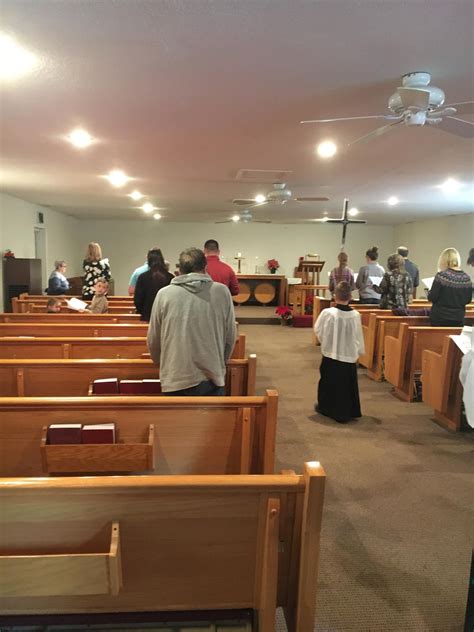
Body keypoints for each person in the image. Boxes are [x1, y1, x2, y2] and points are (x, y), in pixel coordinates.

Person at [147, 247, 237, 395]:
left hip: (175, 376)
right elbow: (230, 337)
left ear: (180, 269)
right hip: (212, 377)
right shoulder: (222, 292)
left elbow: (154, 340)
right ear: (205, 267)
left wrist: (165, 365)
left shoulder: (164, 295)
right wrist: (219, 363)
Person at [314, 281, 364, 423]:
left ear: (335, 296)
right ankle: (350, 410)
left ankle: (327, 408)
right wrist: (358, 351)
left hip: (331, 354)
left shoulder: (327, 313)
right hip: (348, 356)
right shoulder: (355, 315)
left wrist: (326, 343)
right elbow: (358, 336)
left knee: (328, 381)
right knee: (347, 384)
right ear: (350, 297)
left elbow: (318, 330)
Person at [428, 247, 472, 327]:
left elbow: (432, 297)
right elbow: (468, 300)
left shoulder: (441, 276)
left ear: (444, 260)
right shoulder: (466, 278)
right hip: (458, 318)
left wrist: (429, 293)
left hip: (440, 318)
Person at [134, 249, 174, 322]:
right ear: (162, 260)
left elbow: (138, 300)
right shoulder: (170, 277)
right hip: (166, 317)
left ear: (149, 261)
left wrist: (143, 312)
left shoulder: (142, 277)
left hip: (147, 317)